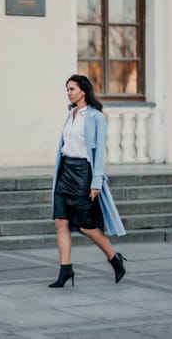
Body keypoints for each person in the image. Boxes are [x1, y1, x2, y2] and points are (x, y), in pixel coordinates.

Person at [49, 74, 127, 288]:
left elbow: (100, 151)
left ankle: (114, 258)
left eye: (72, 89)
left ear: (83, 90)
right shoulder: (71, 114)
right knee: (60, 221)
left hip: (83, 173)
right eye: (67, 89)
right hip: (65, 171)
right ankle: (65, 270)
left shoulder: (96, 117)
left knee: (87, 226)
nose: (68, 92)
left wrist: (96, 181)